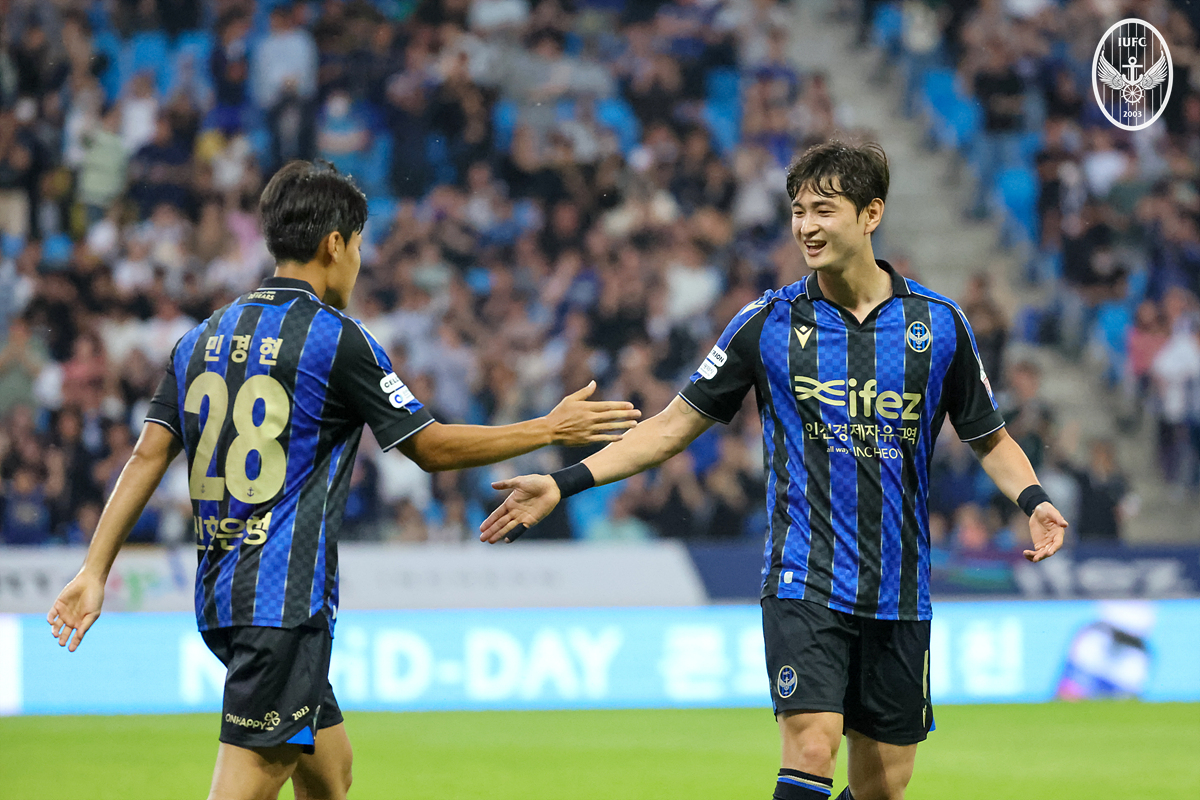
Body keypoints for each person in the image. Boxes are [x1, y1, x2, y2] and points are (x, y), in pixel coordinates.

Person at [480, 140, 1069, 800]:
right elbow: (671, 427)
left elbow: (990, 439)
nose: (806, 226)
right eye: (797, 211)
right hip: (804, 575)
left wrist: (1034, 499)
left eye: (824, 210)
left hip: (900, 587)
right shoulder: (766, 324)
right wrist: (563, 482)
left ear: (871, 214)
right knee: (812, 744)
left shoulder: (939, 325)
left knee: (884, 787)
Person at [46, 160, 640, 800]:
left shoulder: (201, 339)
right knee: (248, 784)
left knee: (331, 775)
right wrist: (547, 428)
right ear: (335, 244)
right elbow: (430, 447)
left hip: (222, 595)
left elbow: (145, 457)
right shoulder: (336, 340)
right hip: (281, 603)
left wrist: (93, 571)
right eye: (358, 245)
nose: (359, 262)